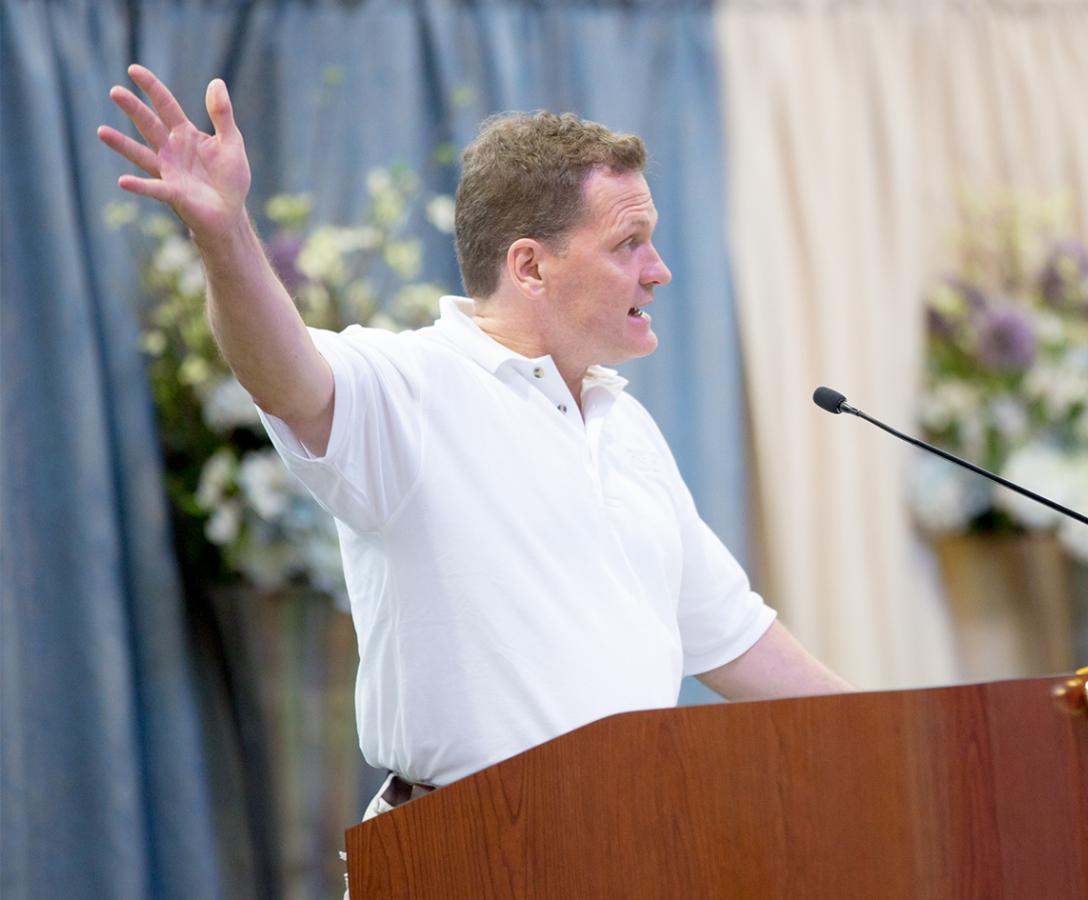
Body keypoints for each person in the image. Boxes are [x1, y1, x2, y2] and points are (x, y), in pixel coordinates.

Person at [98, 65, 852, 814]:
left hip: (631, 846)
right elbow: (284, 376)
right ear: (529, 266)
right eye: (629, 244)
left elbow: (738, 641)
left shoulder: (627, 427)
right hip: (464, 850)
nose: (658, 272)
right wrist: (225, 236)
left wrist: (901, 744)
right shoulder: (412, 386)